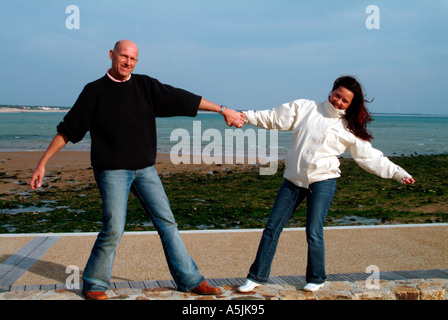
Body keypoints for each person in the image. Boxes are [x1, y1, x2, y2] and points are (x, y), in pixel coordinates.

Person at [30, 39, 246, 300]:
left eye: (133, 59)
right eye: (123, 56)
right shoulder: (94, 91)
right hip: (112, 172)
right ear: (112, 55)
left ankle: (190, 280)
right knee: (114, 228)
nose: (128, 62)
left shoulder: (145, 86)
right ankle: (94, 284)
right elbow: (68, 130)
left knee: (168, 224)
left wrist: (223, 110)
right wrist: (42, 163)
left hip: (146, 170)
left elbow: (183, 98)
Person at [237, 75, 415, 293]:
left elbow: (370, 158)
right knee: (272, 227)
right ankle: (256, 277)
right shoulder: (306, 108)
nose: (338, 102)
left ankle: (316, 278)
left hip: (323, 181)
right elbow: (273, 117)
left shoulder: (349, 128)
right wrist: (245, 116)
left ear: (351, 105)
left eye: (344, 101)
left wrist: (397, 172)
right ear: (331, 92)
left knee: (313, 230)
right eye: (337, 96)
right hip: (293, 179)